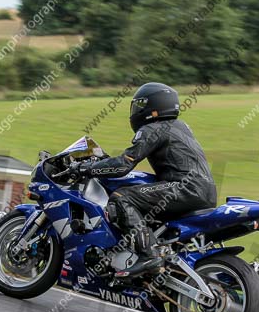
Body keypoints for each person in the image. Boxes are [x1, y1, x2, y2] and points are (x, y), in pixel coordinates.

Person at [75, 82, 217, 278]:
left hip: (184, 187)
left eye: (140, 105)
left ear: (154, 106)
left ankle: (149, 255)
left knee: (122, 197)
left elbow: (124, 164)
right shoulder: (181, 126)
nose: (137, 110)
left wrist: (86, 168)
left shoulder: (153, 128)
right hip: (206, 190)